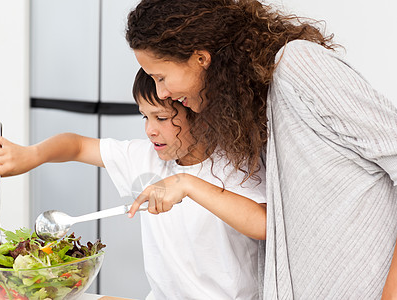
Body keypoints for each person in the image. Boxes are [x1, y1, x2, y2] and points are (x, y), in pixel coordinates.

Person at [125, 0, 397, 299]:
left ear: (201, 57)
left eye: (161, 77)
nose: (163, 93)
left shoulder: (298, 65)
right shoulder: (250, 109)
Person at [0, 68, 267, 300]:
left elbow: (264, 225)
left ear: (205, 117)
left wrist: (187, 184)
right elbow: (77, 146)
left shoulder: (237, 166)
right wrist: (32, 155)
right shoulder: (146, 158)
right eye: (145, 116)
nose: (150, 129)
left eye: (162, 117)